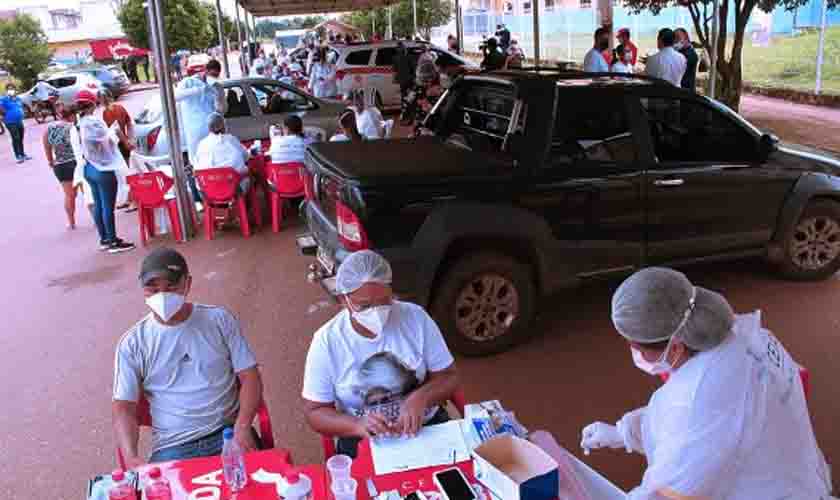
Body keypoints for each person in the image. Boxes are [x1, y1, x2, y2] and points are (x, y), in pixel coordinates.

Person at [580, 267, 832, 499]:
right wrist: (623, 433)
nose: (634, 354)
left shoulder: (701, 397)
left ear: (675, 346)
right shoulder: (745, 336)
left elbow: (668, 491)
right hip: (794, 474)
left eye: (635, 347)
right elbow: (705, 422)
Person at [113, 247, 264, 466]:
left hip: (228, 434)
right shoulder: (133, 344)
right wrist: (131, 458)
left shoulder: (219, 321)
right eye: (152, 289)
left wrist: (242, 427)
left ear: (188, 283)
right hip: (172, 447)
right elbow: (124, 407)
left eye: (171, 287)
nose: (162, 296)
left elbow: (250, 376)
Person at [302, 250, 459, 458]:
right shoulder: (328, 342)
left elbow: (449, 376)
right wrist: (357, 425)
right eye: (365, 305)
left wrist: (421, 397)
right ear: (342, 299)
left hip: (426, 426)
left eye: (385, 301)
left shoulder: (415, 318)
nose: (376, 312)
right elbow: (315, 412)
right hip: (364, 438)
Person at [71, 90, 135, 253]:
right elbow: (105, 143)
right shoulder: (93, 122)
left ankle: (105, 239)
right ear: (93, 103)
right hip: (102, 168)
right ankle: (113, 240)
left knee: (99, 204)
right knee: (108, 206)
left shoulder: (77, 124)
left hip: (87, 167)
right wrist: (113, 133)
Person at [175, 59, 226, 167]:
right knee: (196, 161)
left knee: (213, 160)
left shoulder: (216, 86)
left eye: (216, 76)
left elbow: (221, 109)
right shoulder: (188, 82)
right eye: (212, 74)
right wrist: (198, 90)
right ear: (205, 71)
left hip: (211, 131)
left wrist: (219, 97)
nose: (214, 77)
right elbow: (176, 96)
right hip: (194, 131)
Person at [194, 113, 252, 194]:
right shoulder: (231, 140)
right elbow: (246, 156)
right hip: (233, 191)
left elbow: (196, 167)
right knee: (249, 176)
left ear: (209, 128)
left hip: (209, 192)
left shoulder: (201, 144)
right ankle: (244, 205)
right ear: (222, 126)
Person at [43, 102, 79, 229]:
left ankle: (71, 221)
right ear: (72, 115)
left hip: (60, 165)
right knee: (88, 193)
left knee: (69, 195)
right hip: (75, 162)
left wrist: (50, 161)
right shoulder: (73, 127)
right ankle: (97, 219)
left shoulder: (49, 128)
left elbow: (47, 146)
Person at [100, 91, 135, 211]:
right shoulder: (120, 108)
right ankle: (128, 199)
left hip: (119, 145)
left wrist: (126, 140)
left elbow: (114, 130)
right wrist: (130, 138)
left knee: (125, 174)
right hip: (124, 142)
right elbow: (129, 123)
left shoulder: (106, 113)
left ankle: (133, 200)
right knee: (126, 172)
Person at [0, 83, 30, 163]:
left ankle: (22, 154)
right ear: (7, 90)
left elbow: (20, 107)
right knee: (15, 138)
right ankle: (18, 156)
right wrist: (3, 113)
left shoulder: (17, 98)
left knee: (20, 137)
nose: (11, 90)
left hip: (19, 121)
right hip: (10, 122)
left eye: (12, 89)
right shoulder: (4, 99)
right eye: (9, 89)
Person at [393, 42, 416, 123]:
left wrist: (395, 79)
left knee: (404, 99)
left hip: (402, 81)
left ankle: (405, 115)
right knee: (410, 98)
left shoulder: (395, 58)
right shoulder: (409, 57)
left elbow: (395, 70)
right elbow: (413, 69)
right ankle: (410, 116)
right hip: (409, 81)